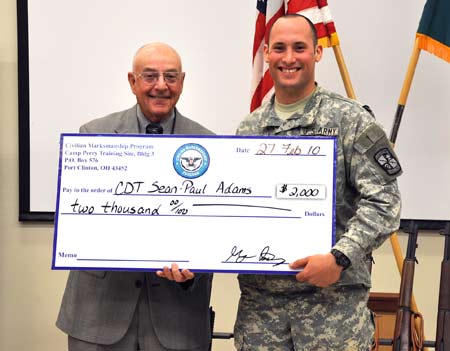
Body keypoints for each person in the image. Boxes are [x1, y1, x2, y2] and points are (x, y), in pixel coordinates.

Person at [234, 14, 402, 351]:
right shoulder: (248, 130)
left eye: (300, 47)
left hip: (332, 310)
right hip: (262, 314)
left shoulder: (351, 119)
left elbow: (384, 202)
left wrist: (340, 257)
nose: (289, 58)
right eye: (279, 48)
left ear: (317, 53)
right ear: (266, 53)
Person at [56, 42, 214, 351]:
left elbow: (212, 230)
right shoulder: (92, 136)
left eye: (170, 76)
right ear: (132, 81)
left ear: (182, 82)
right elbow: (80, 220)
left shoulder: (209, 144)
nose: (161, 86)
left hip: (176, 320)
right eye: (150, 76)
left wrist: (192, 271)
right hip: (99, 315)